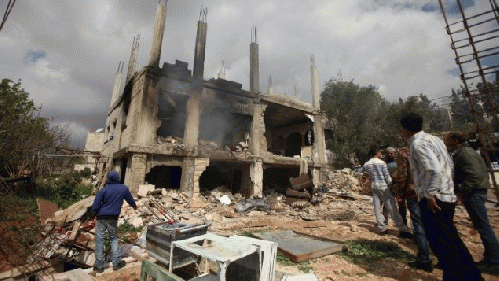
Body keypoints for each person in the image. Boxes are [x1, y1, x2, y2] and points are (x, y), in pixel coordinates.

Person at [400, 113, 482, 281]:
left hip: (434, 200)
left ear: (405, 129)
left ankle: (455, 277)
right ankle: (472, 276)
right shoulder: (434, 140)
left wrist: (430, 193)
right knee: (452, 240)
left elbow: (435, 169)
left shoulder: (418, 144)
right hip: (445, 195)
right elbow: (448, 165)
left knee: (441, 243)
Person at [445, 132, 499, 272]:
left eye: (448, 139)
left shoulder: (465, 153)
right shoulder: (465, 152)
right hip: (474, 192)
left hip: (474, 193)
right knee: (481, 226)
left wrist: (461, 190)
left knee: (483, 226)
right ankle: (490, 259)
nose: (446, 142)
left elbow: (474, 176)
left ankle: (495, 261)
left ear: (455, 141)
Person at [393, 146, 432, 272]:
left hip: (414, 192)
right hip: (432, 191)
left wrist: (400, 194)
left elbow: (403, 175)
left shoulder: (405, 152)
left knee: (418, 223)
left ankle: (424, 259)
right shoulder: (432, 148)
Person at [359, 145, 412, 238]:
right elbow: (387, 177)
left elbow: (359, 172)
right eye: (380, 152)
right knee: (392, 208)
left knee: (377, 208)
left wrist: (365, 179)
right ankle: (402, 229)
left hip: (374, 187)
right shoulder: (382, 163)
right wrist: (393, 186)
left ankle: (382, 228)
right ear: (377, 153)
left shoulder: (367, 164)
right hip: (384, 187)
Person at [92, 171, 137, 273]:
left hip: (102, 217)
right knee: (113, 238)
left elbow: (95, 206)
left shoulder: (104, 189)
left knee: (100, 240)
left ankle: (99, 266)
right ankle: (116, 263)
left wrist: (96, 213)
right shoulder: (123, 188)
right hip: (113, 218)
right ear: (118, 179)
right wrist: (134, 205)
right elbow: (130, 199)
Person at [386, 147, 408, 226]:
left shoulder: (399, 162)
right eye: (388, 153)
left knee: (401, 204)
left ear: (395, 153)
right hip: (389, 185)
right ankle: (385, 221)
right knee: (386, 203)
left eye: (391, 153)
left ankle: (403, 223)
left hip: (399, 185)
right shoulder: (385, 163)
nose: (389, 155)